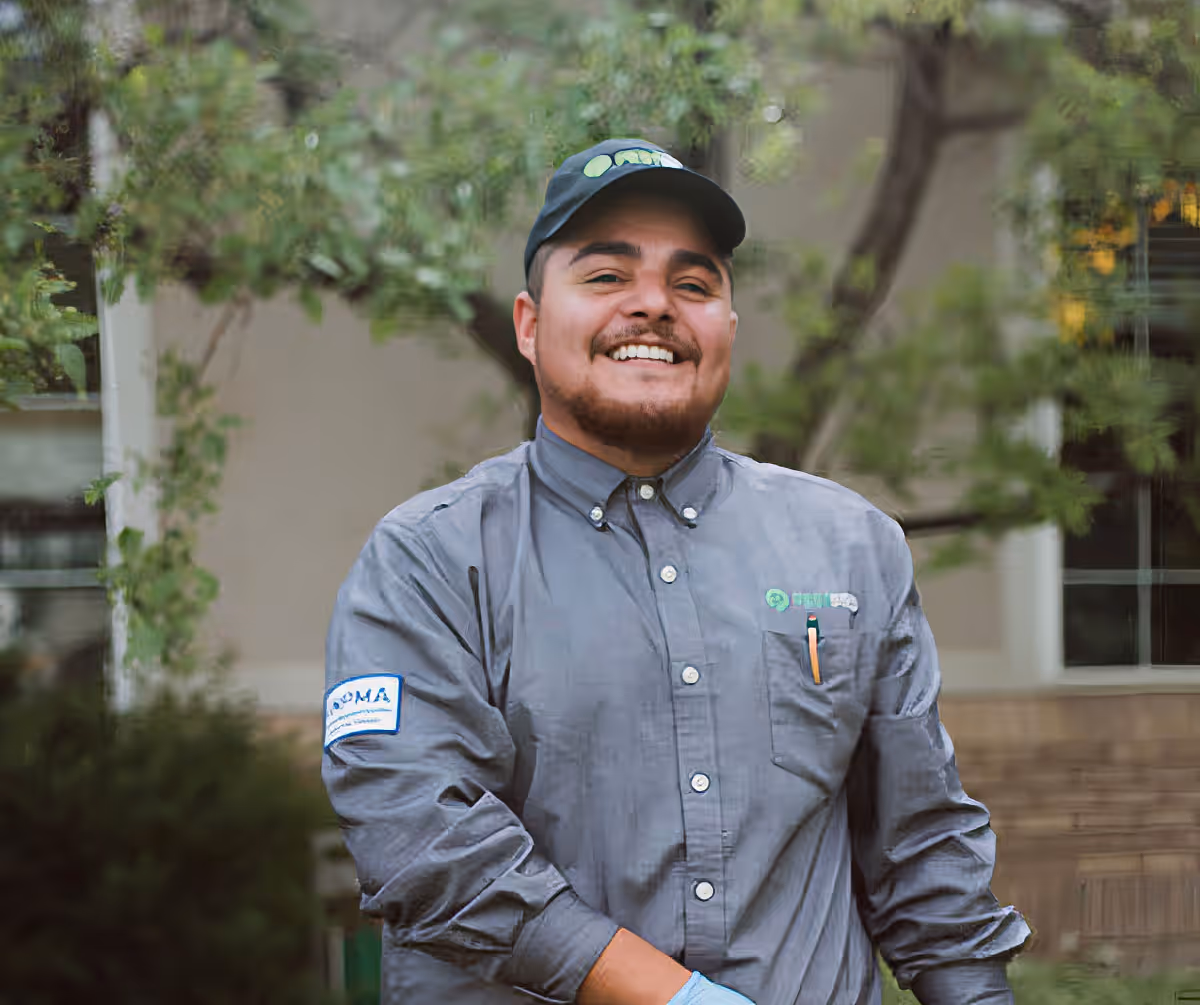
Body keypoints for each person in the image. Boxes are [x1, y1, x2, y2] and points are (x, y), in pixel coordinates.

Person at [321, 137, 1030, 1005]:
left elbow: (924, 854)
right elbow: (426, 846)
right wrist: (680, 1000)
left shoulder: (852, 547)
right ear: (530, 325)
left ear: (727, 326)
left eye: (693, 284)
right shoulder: (429, 560)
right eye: (607, 277)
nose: (653, 305)